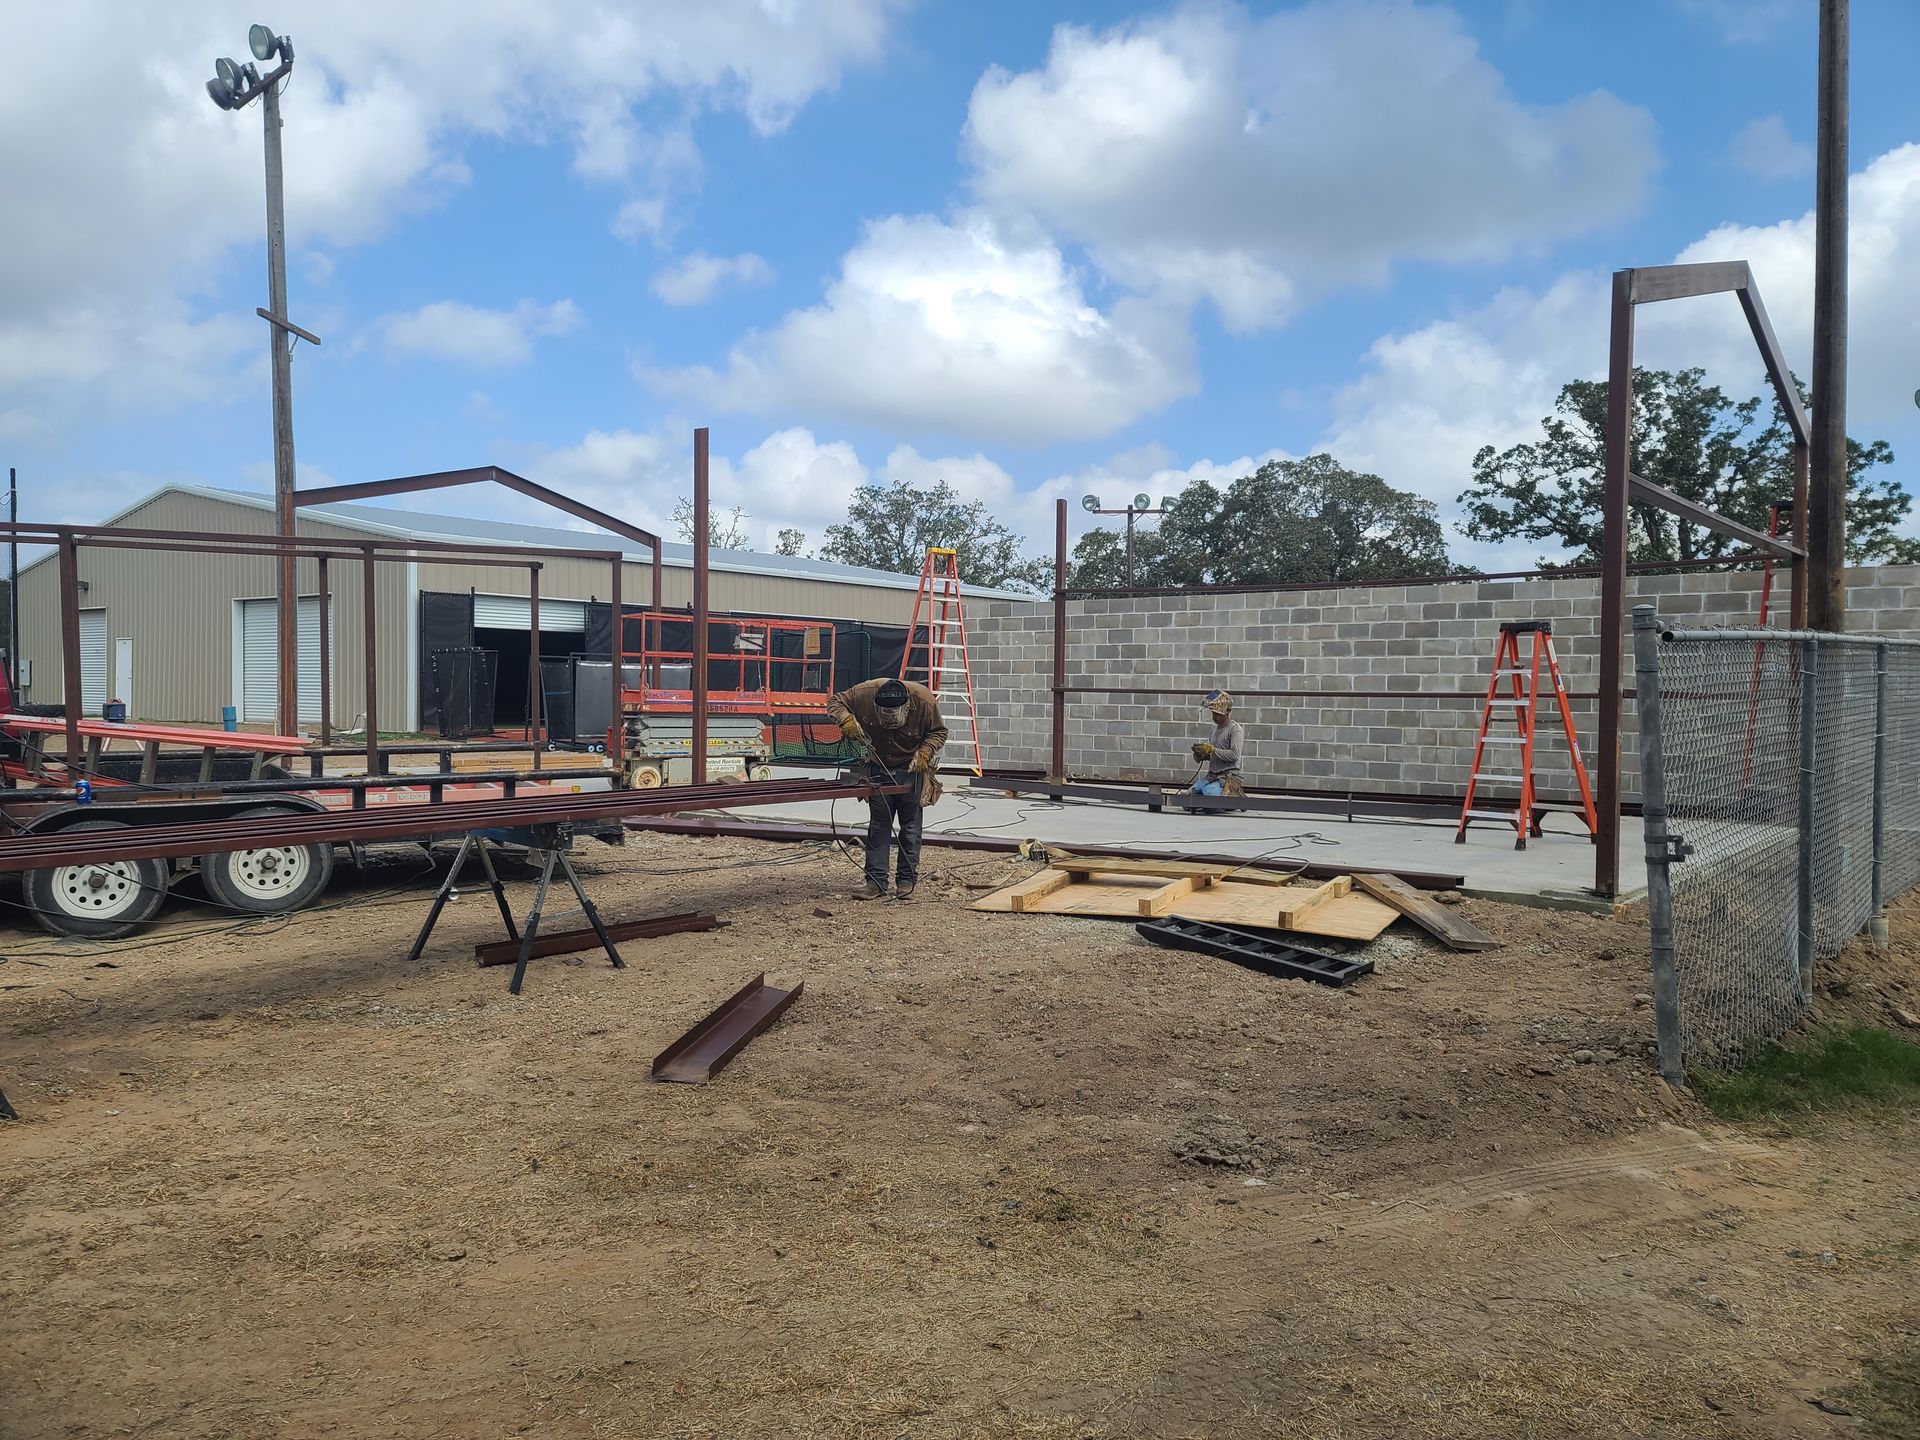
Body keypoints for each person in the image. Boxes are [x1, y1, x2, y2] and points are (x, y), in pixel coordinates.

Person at [827, 676, 948, 900]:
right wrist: (846, 720)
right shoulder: (863, 693)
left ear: (906, 706)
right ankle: (875, 882)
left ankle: (906, 881)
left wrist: (924, 753)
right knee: (879, 825)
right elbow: (834, 702)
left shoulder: (923, 701)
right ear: (876, 704)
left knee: (910, 827)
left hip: (911, 768)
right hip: (878, 766)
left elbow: (939, 732)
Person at [1184, 688, 1246, 812]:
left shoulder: (1235, 730)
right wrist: (1201, 754)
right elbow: (1213, 754)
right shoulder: (1214, 730)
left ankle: (1232, 797)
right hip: (1212, 777)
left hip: (1227, 778)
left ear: (1226, 712)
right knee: (1187, 801)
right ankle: (1216, 800)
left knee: (1209, 801)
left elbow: (1234, 755)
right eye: (1213, 713)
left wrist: (1213, 750)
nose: (1214, 716)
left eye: (1217, 713)